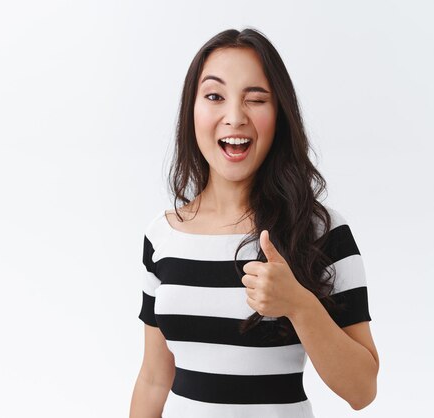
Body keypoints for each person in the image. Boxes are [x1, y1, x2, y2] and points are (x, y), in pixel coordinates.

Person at [128, 28, 379, 418]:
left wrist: (300, 305)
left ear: (279, 115)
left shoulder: (320, 232)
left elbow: (362, 390)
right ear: (191, 110)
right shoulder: (163, 235)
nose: (234, 117)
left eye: (256, 99)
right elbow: (154, 380)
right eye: (214, 96)